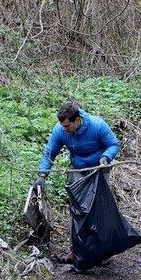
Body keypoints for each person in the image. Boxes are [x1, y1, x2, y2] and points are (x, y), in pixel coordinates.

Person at [33, 102, 120, 263]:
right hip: (78, 169)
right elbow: (50, 152)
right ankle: (76, 250)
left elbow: (114, 144)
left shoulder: (97, 125)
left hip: (99, 169)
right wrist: (42, 174)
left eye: (67, 126)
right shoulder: (60, 131)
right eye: (62, 126)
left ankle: (102, 252)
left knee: (98, 209)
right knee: (78, 210)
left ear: (77, 120)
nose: (64, 129)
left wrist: (105, 157)